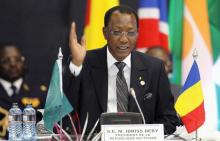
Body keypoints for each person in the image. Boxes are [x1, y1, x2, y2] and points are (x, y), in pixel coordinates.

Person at [64, 5, 179, 135]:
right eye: (117, 32)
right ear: (105, 33)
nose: (124, 39)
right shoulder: (84, 62)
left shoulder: (154, 68)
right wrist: (76, 65)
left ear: (137, 34)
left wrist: (147, 135)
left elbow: (169, 118)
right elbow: (64, 112)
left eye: (130, 33)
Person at [0, 43, 47, 139]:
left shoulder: (40, 92)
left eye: (17, 60)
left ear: (23, 62)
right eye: (6, 61)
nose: (13, 64)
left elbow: (53, 125)